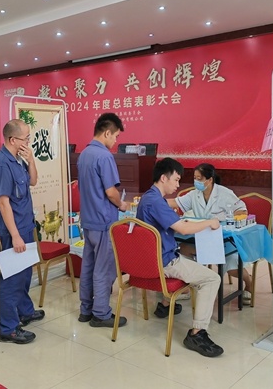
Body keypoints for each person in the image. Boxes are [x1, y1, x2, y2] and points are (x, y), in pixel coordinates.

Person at [136, 158, 224, 357]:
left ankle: (166, 304)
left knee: (188, 254)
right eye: (176, 180)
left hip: (151, 260)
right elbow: (183, 229)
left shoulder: (148, 197)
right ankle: (197, 333)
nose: (178, 185)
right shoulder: (156, 202)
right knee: (212, 278)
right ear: (163, 178)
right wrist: (210, 222)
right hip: (165, 262)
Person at [168, 163, 253, 304]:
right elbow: (175, 203)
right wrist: (154, 201)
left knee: (232, 267)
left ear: (210, 179)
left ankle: (249, 284)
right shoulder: (194, 194)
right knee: (184, 249)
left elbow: (242, 210)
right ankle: (187, 287)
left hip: (225, 239)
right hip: (202, 238)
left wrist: (227, 220)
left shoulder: (224, 193)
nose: (196, 182)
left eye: (199, 178)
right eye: (194, 178)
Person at [0, 119, 44, 344]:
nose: (28, 142)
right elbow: (3, 203)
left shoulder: (18, 159)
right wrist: (14, 235)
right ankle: (8, 328)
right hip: (14, 230)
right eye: (26, 138)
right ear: (13, 140)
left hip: (25, 225)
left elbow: (33, 181)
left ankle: (25, 311)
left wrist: (31, 160)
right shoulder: (2, 164)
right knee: (11, 278)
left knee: (24, 275)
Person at [77, 113, 130, 328]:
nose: (115, 141)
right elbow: (111, 192)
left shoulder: (84, 154)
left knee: (88, 266)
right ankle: (100, 313)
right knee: (104, 268)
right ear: (107, 133)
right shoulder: (104, 156)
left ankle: (86, 310)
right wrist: (121, 204)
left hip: (88, 219)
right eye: (115, 136)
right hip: (103, 220)